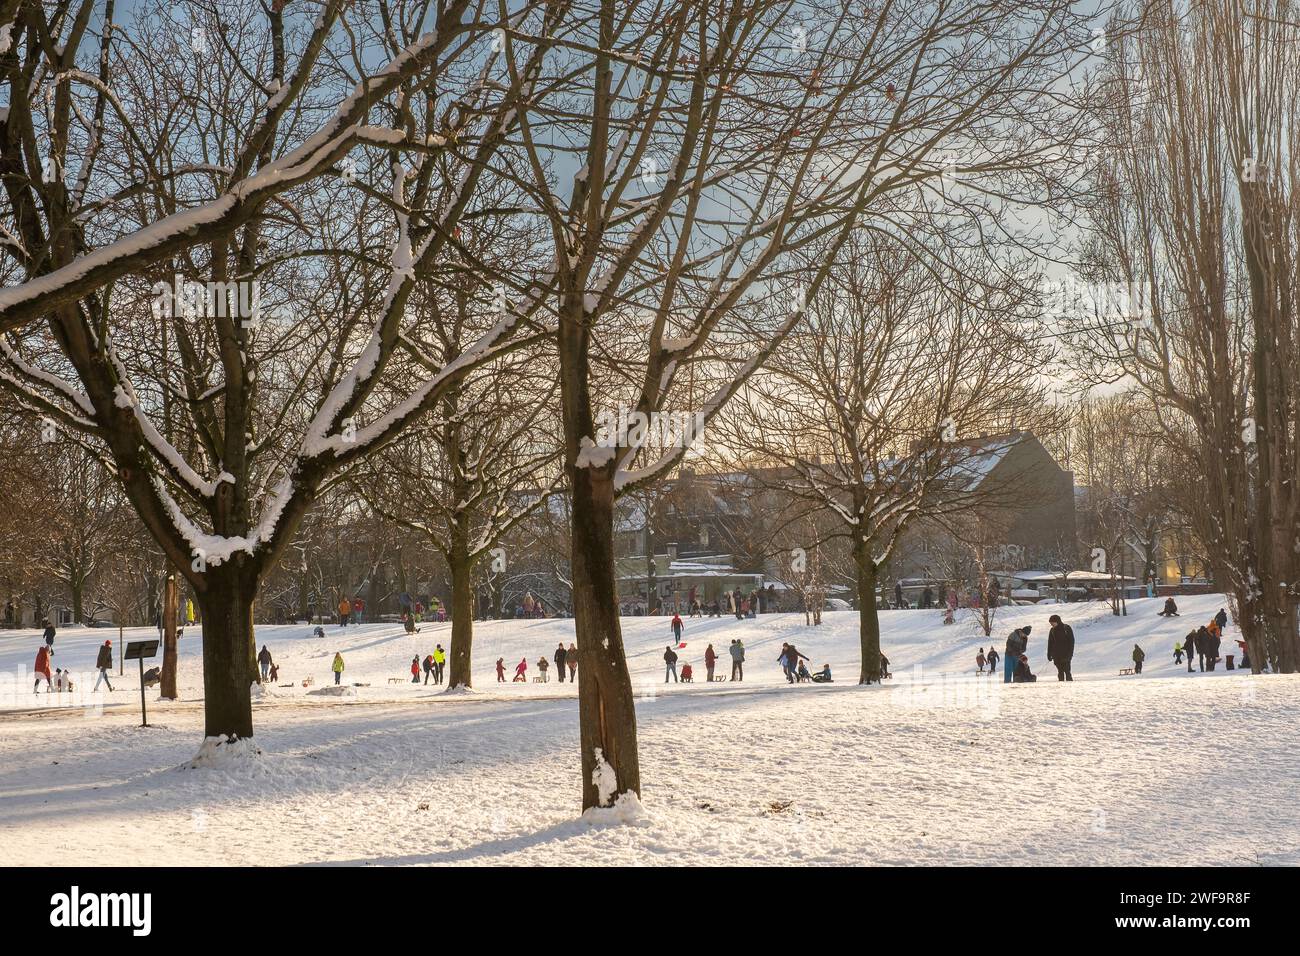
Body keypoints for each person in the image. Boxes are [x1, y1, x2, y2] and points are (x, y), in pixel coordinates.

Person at [1046, 614, 1074, 682]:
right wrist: (1049, 654)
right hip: (1056, 655)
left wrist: (1070, 655)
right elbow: (1050, 643)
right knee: (1060, 672)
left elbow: (1071, 642)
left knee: (1067, 672)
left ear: (1057, 621)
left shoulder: (1066, 628)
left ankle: (1070, 687)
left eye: (1052, 623)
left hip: (1066, 654)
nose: (1051, 624)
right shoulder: (1052, 630)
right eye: (1050, 623)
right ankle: (1061, 688)